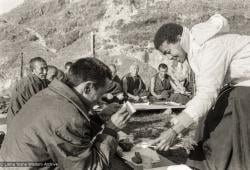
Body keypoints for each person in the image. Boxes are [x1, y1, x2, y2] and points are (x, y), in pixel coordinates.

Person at [149, 14, 250, 170]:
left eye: (169, 51)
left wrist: (176, 130)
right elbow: (203, 93)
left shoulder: (210, 47)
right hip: (240, 85)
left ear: (178, 38)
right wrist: (181, 122)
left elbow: (207, 94)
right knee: (207, 119)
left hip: (244, 89)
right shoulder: (196, 49)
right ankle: (202, 164)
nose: (169, 58)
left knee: (229, 115)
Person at [0, 57, 131, 169]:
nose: (100, 99)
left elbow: (73, 136)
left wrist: (100, 117)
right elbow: (91, 167)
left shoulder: (52, 94)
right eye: (101, 94)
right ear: (87, 87)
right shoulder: (67, 116)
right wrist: (111, 130)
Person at [7, 57, 48, 127]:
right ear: (32, 71)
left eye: (46, 68)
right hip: (19, 124)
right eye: (41, 69)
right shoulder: (31, 83)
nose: (45, 72)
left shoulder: (40, 81)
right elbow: (38, 107)